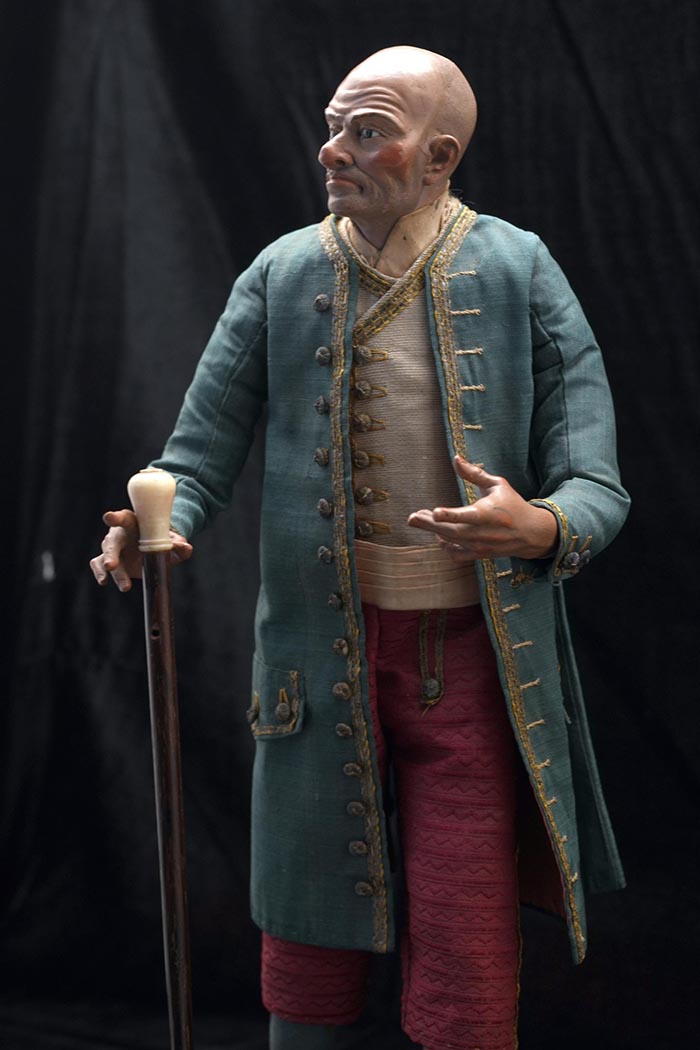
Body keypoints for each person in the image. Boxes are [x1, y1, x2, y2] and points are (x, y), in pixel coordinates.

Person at [91, 45, 629, 1050]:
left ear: (440, 157)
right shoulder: (282, 273)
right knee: (305, 940)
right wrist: (156, 526)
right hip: (314, 659)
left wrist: (543, 525)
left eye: (368, 131)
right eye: (335, 127)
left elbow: (596, 482)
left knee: (467, 945)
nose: (333, 150)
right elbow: (195, 459)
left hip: (471, 665)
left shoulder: (518, 269)